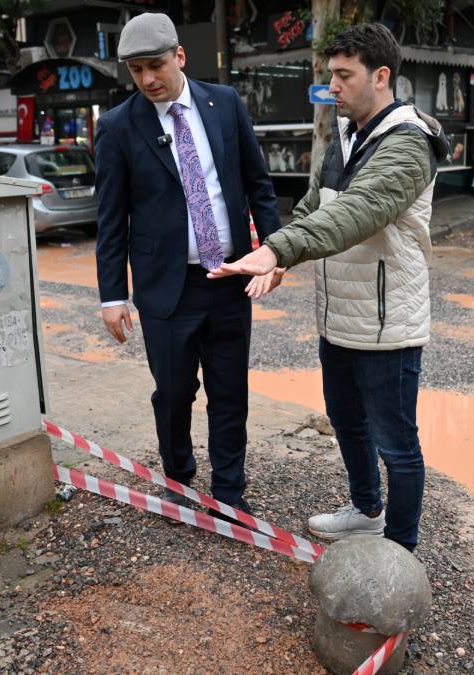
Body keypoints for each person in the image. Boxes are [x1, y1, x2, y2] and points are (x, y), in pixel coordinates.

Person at [209, 23, 448, 552]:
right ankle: (366, 510)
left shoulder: (409, 144)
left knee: (398, 445)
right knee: (346, 421)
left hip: (388, 324)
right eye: (330, 75)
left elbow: (361, 212)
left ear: (381, 76)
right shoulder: (342, 135)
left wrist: (276, 250)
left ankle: (400, 554)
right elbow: (315, 208)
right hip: (338, 316)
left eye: (344, 75)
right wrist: (280, 258)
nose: (332, 87)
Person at [93, 13, 281, 520]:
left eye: (155, 65)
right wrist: (112, 296)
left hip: (230, 281)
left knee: (230, 392)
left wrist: (277, 252)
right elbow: (110, 219)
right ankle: (179, 479)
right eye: (136, 71)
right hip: (164, 290)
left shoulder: (226, 105)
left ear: (180, 56)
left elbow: (259, 185)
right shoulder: (116, 127)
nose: (149, 79)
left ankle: (229, 494)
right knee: (174, 394)